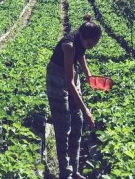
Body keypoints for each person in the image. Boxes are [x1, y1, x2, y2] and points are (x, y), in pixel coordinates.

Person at [46, 14, 102, 179]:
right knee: (63, 126)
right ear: (83, 37)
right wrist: (87, 111)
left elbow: (82, 54)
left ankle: (75, 170)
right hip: (56, 77)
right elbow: (69, 83)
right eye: (90, 44)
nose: (91, 46)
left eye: (94, 44)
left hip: (71, 73)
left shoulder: (82, 37)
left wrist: (89, 75)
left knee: (77, 123)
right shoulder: (69, 46)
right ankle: (65, 173)